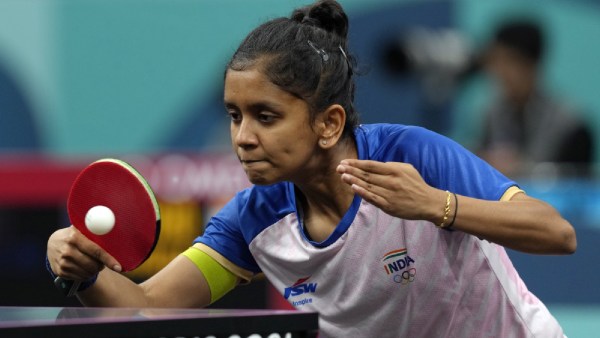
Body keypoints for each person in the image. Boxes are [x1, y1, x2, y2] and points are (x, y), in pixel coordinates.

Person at [46, 1, 576, 337]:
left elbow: (557, 233)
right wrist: (87, 269)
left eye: (266, 116)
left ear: (328, 124)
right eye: (234, 116)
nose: (243, 137)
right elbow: (148, 306)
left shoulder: (413, 157)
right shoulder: (255, 219)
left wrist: (436, 206)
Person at [477, 19, 595, 177]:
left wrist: (522, 167)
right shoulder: (492, 115)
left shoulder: (571, 124)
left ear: (532, 64)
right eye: (496, 62)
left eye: (508, 61)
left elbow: (576, 187)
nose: (500, 72)